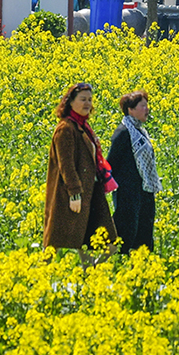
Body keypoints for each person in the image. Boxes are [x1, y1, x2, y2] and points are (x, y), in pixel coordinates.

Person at [43, 82, 118, 253]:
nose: (88, 104)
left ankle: (87, 273)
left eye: (90, 100)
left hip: (91, 192)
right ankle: (51, 275)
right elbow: (66, 165)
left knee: (109, 244)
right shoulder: (65, 129)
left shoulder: (83, 127)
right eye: (83, 99)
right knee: (68, 245)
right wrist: (74, 193)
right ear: (70, 102)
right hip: (72, 197)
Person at [107, 90, 160, 255]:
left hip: (144, 190)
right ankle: (117, 266)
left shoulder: (140, 132)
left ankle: (143, 269)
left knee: (144, 233)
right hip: (128, 193)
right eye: (143, 106)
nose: (147, 109)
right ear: (130, 109)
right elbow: (111, 163)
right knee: (126, 232)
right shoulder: (123, 132)